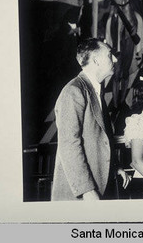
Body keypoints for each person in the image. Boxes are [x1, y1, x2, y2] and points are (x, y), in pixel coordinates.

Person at [51, 38, 131, 201]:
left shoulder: (94, 91)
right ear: (96, 60)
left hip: (98, 186)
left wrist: (115, 168)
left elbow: (100, 139)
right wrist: (86, 190)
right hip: (81, 194)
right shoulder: (73, 91)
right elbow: (69, 144)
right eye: (110, 55)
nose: (115, 59)